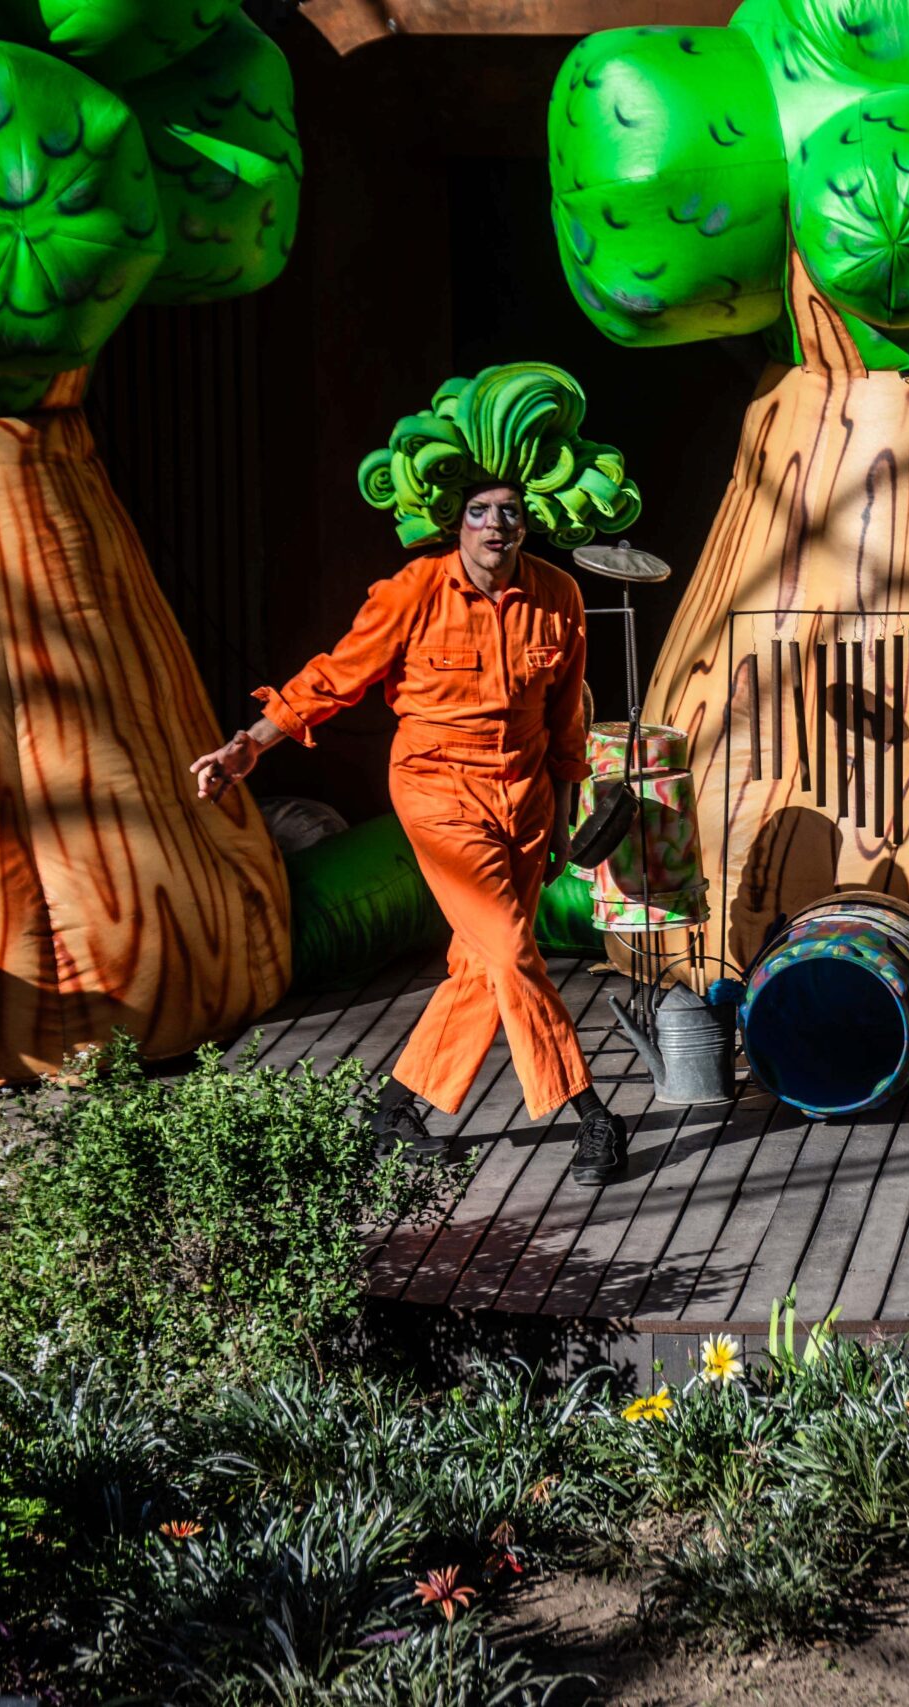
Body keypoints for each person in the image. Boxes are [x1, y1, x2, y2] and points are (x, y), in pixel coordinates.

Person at [190, 363, 643, 1185]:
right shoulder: (412, 592)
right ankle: (592, 1115)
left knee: (481, 963)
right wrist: (249, 744)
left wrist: (571, 805)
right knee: (512, 950)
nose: (496, 525)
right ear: (455, 522)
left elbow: (565, 719)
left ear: (529, 521)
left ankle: (393, 1112)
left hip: (525, 798)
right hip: (438, 793)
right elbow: (335, 676)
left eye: (510, 512)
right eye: (480, 512)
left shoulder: (560, 596)